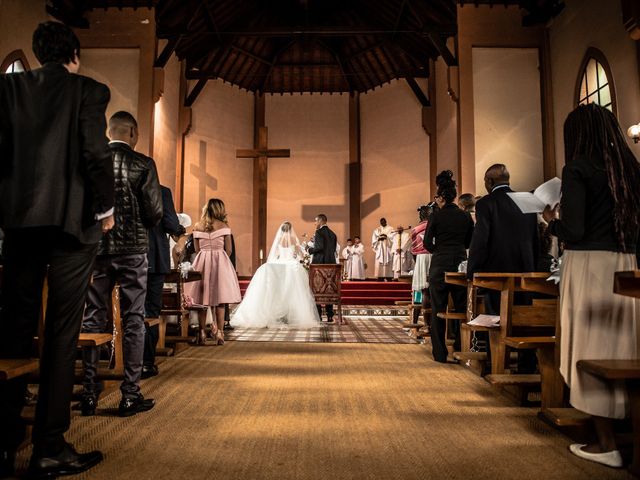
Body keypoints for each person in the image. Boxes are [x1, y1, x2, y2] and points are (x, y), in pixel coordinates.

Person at [0, 21, 113, 478]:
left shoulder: (8, 89)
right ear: (75, 54)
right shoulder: (89, 90)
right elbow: (94, 151)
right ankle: (49, 446)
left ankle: (4, 441)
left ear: (37, 52)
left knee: (12, 326)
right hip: (73, 225)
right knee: (62, 332)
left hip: (20, 223)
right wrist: (105, 208)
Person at [542, 104, 640, 468]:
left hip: (589, 264)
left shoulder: (577, 169)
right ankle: (626, 432)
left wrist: (551, 222)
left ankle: (605, 443)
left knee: (591, 346)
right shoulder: (631, 171)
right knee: (623, 345)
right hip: (626, 264)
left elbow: (575, 230)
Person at [80, 111, 162, 418]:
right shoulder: (143, 164)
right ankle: (130, 394)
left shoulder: (91, 162)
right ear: (133, 134)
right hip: (132, 250)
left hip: (97, 250)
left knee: (93, 318)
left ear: (109, 131)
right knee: (133, 319)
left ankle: (88, 394)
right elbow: (154, 212)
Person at [467, 164, 540, 374]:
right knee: (523, 318)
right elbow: (535, 239)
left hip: (496, 273)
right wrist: (533, 268)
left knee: (496, 319)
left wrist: (473, 271)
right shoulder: (527, 199)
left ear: (489, 182)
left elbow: (480, 240)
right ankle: (527, 366)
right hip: (525, 271)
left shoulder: (486, 203)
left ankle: (497, 365)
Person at [424, 171, 474, 363]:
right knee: (461, 308)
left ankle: (440, 353)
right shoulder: (465, 217)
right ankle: (461, 349)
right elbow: (470, 241)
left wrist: (440, 250)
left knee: (438, 309)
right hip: (460, 265)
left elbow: (427, 243)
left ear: (442, 197)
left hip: (439, 265)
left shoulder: (435, 217)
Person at [231, 222, 321, 328]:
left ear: (281, 230)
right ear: (291, 229)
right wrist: (298, 257)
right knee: (292, 290)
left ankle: (275, 314)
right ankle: (289, 315)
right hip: (291, 264)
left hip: (279, 264)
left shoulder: (279, 239)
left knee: (277, 290)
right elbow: (299, 255)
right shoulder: (294, 239)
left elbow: (276, 255)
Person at [184, 198, 241, 345]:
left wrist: (206, 254)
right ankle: (220, 333)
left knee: (202, 300)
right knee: (220, 300)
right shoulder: (224, 226)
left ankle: (202, 333)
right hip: (219, 262)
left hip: (202, 261)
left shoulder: (198, 226)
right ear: (219, 210)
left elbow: (196, 249)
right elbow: (228, 250)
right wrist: (219, 258)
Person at [142, 185, 185, 379]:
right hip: (153, 257)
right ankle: (145, 363)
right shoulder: (161, 191)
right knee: (150, 309)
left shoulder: (117, 183)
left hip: (121, 257)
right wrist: (180, 232)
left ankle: (120, 357)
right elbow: (170, 223)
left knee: (125, 309)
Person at [307, 214, 338, 322]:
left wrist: (309, 249)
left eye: (316, 221)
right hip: (331, 265)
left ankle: (318, 315)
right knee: (329, 290)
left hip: (319, 266)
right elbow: (333, 250)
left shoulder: (319, 232)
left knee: (318, 290)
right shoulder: (333, 234)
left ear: (321, 221)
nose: (315, 223)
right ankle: (330, 315)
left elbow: (319, 247)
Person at [411, 203, 436, 324]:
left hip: (421, 258)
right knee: (430, 289)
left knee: (421, 290)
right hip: (433, 256)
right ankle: (429, 323)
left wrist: (417, 264)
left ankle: (415, 322)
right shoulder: (435, 226)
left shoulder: (415, 229)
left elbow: (413, 250)